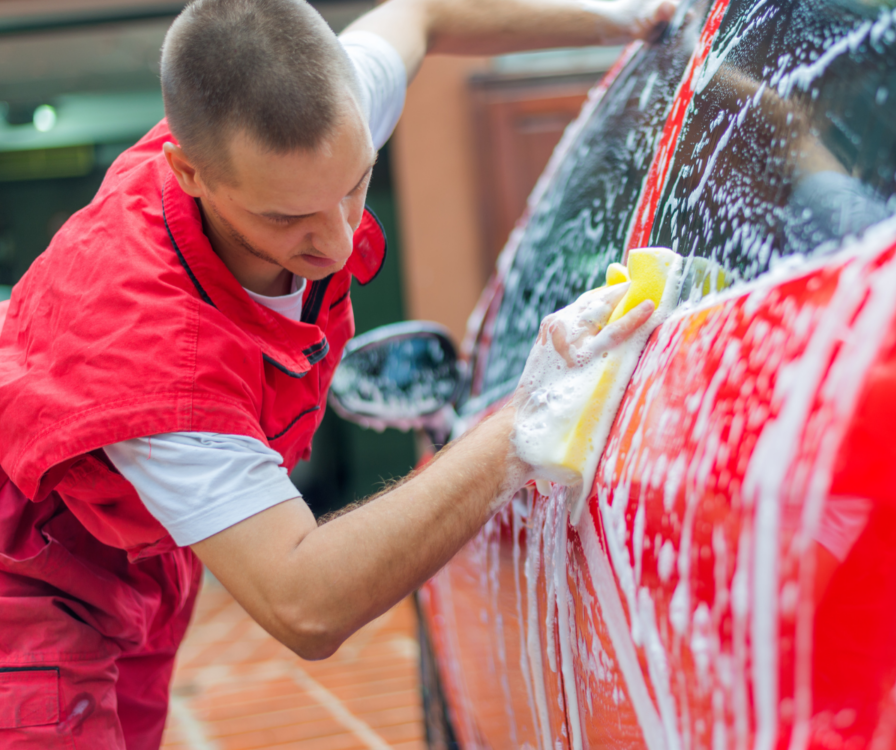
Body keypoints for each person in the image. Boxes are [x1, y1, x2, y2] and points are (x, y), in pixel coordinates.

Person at [0, 0, 669, 745]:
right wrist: (525, 421)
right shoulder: (151, 357)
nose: (340, 238)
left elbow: (425, 14)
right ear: (189, 173)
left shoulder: (315, 122)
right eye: (287, 220)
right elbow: (304, 601)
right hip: (25, 591)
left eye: (356, 185)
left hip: (134, 566)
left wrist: (635, 15)